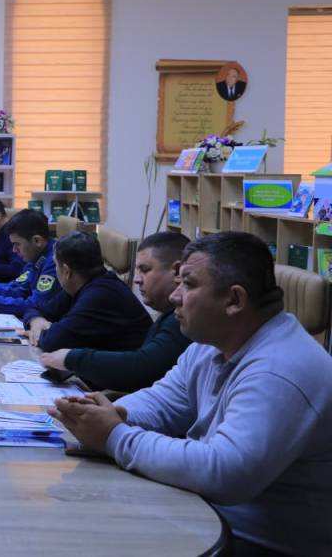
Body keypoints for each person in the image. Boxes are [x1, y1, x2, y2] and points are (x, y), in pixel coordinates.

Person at [50, 232, 332, 555]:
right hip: (208, 521)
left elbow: (224, 472)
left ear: (234, 300)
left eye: (188, 284)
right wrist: (110, 413)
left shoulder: (280, 369)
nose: (175, 296)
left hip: (256, 546)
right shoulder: (213, 343)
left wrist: (114, 437)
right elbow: (164, 400)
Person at [40, 231, 193, 392]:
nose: (137, 279)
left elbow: (142, 369)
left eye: (145, 270)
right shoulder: (169, 315)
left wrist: (71, 358)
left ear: (177, 271)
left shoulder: (183, 320)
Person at [23, 231, 151, 352]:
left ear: (67, 272)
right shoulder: (81, 284)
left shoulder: (100, 295)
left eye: (56, 265)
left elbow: (53, 341)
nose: (56, 270)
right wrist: (36, 320)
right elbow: (36, 309)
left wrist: (41, 331)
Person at [0, 208, 64, 321]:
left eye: (17, 244)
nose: (14, 250)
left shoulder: (55, 262)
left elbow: (34, 306)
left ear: (37, 241)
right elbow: (17, 289)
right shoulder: (37, 255)